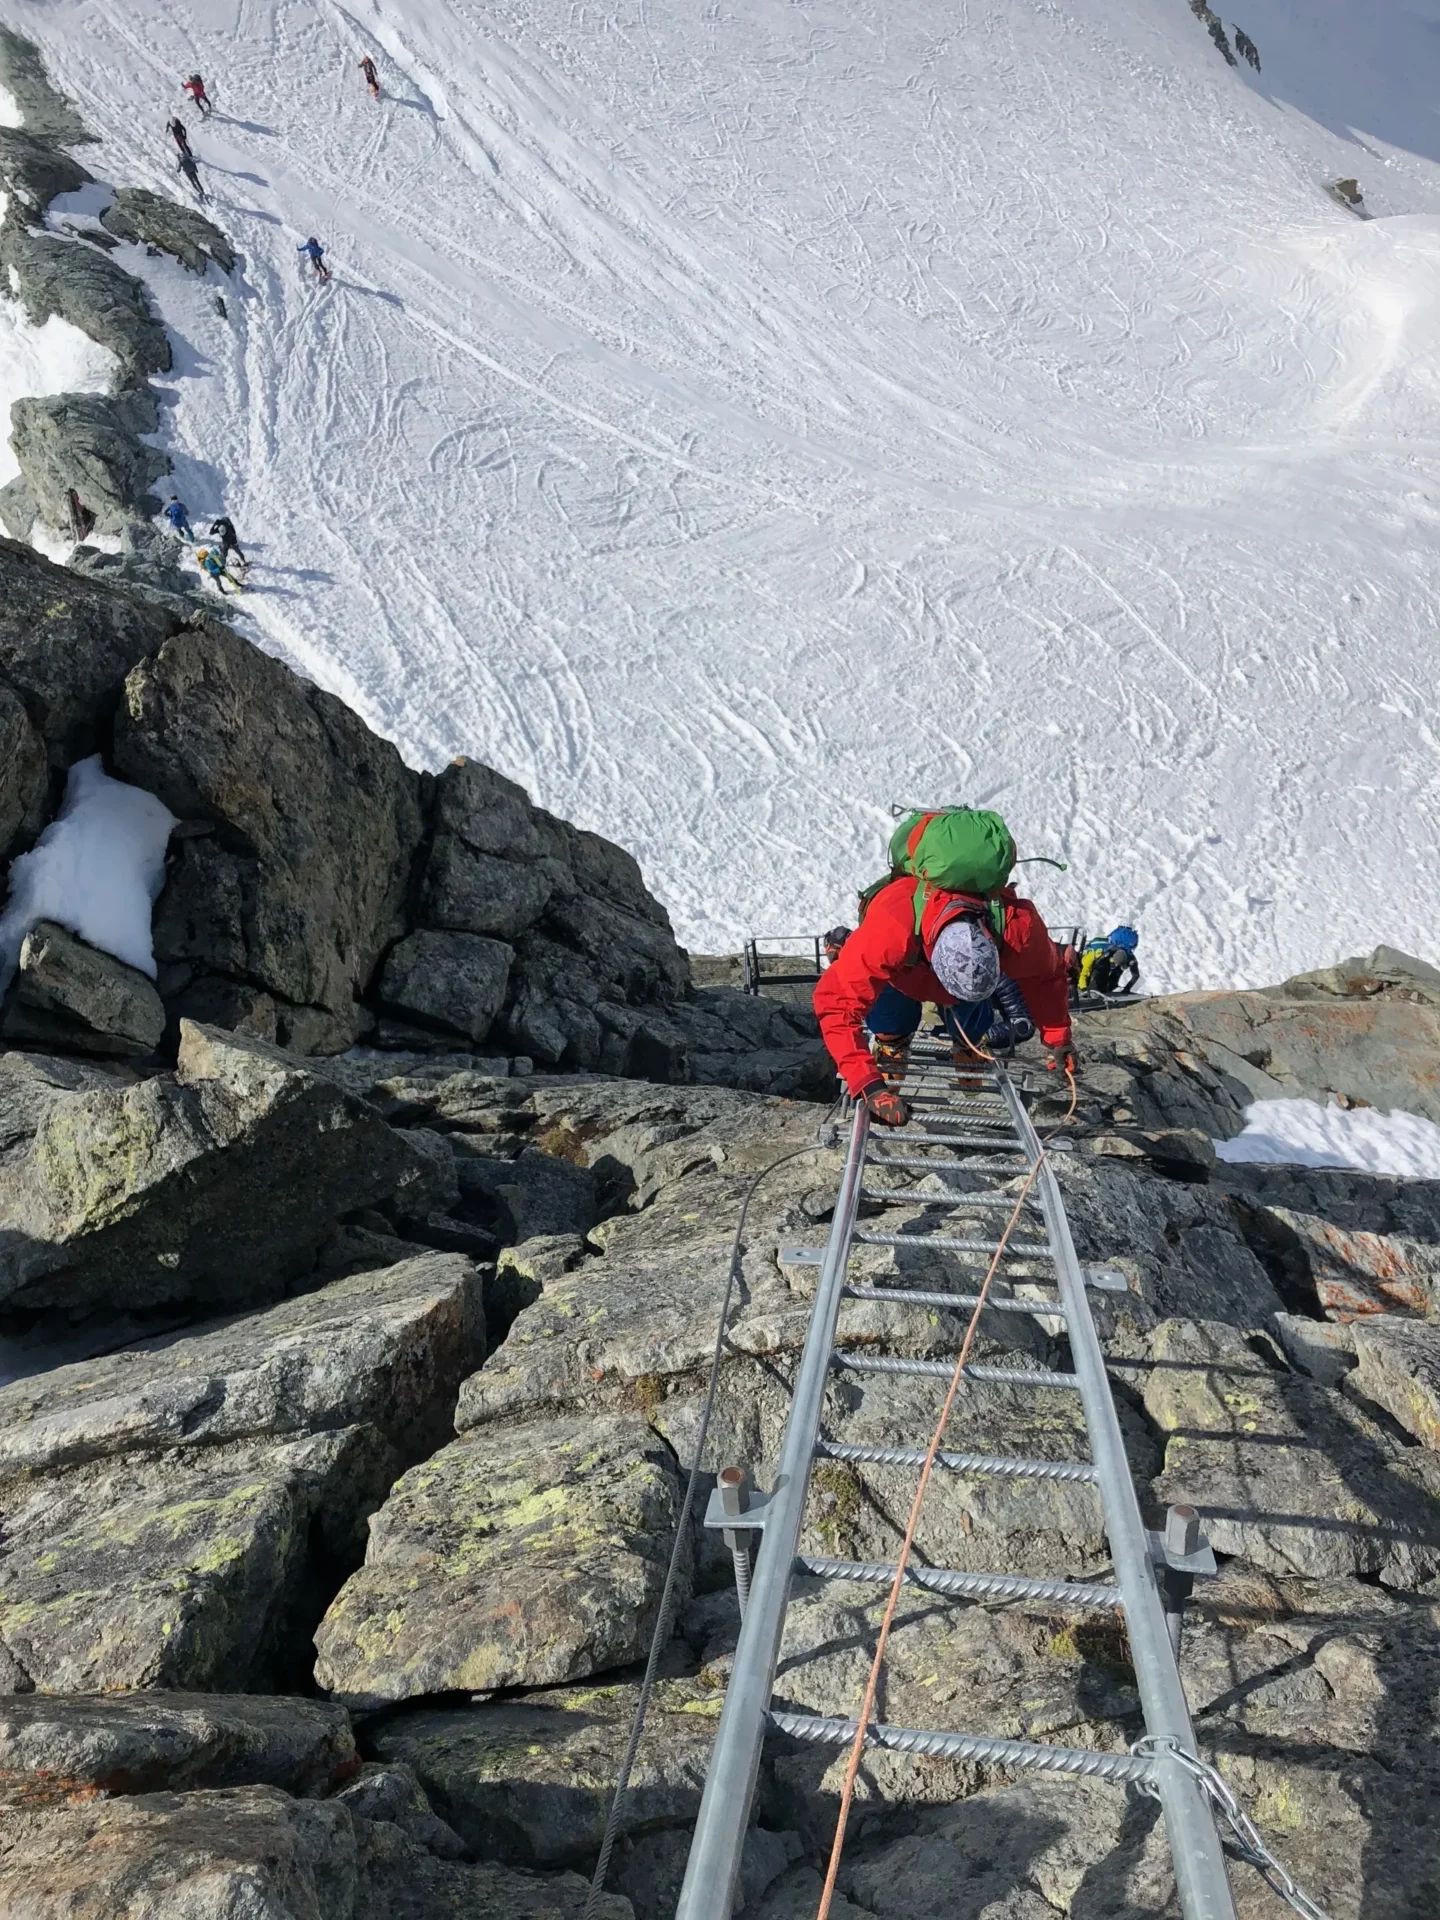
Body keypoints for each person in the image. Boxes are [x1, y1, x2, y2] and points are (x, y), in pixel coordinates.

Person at [813, 876, 1077, 1127]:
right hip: (903, 971)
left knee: (971, 1008)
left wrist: (1059, 1039)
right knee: (889, 1008)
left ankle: (969, 1040)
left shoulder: (1018, 928)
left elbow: (1047, 975)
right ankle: (892, 1041)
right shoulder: (889, 929)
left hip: (931, 968)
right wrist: (868, 1084)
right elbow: (836, 1004)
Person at [1077, 926, 1140, 997]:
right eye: (1114, 963)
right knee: (1101, 971)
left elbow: (1136, 975)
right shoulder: (1098, 954)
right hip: (1097, 963)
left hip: (1110, 960)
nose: (1115, 965)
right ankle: (1097, 989)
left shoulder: (1129, 957)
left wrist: (1127, 988)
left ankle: (1107, 988)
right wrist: (1083, 989)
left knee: (1115, 971)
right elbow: (1085, 972)